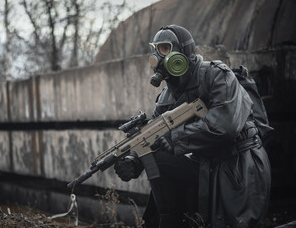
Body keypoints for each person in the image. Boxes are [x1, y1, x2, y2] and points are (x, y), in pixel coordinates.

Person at [114, 25, 272, 228]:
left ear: (183, 52)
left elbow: (225, 126)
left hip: (238, 164)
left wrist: (175, 138)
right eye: (156, 49)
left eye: (164, 49)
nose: (157, 57)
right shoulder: (166, 95)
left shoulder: (216, 75)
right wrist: (135, 160)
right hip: (206, 165)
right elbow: (152, 136)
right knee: (154, 159)